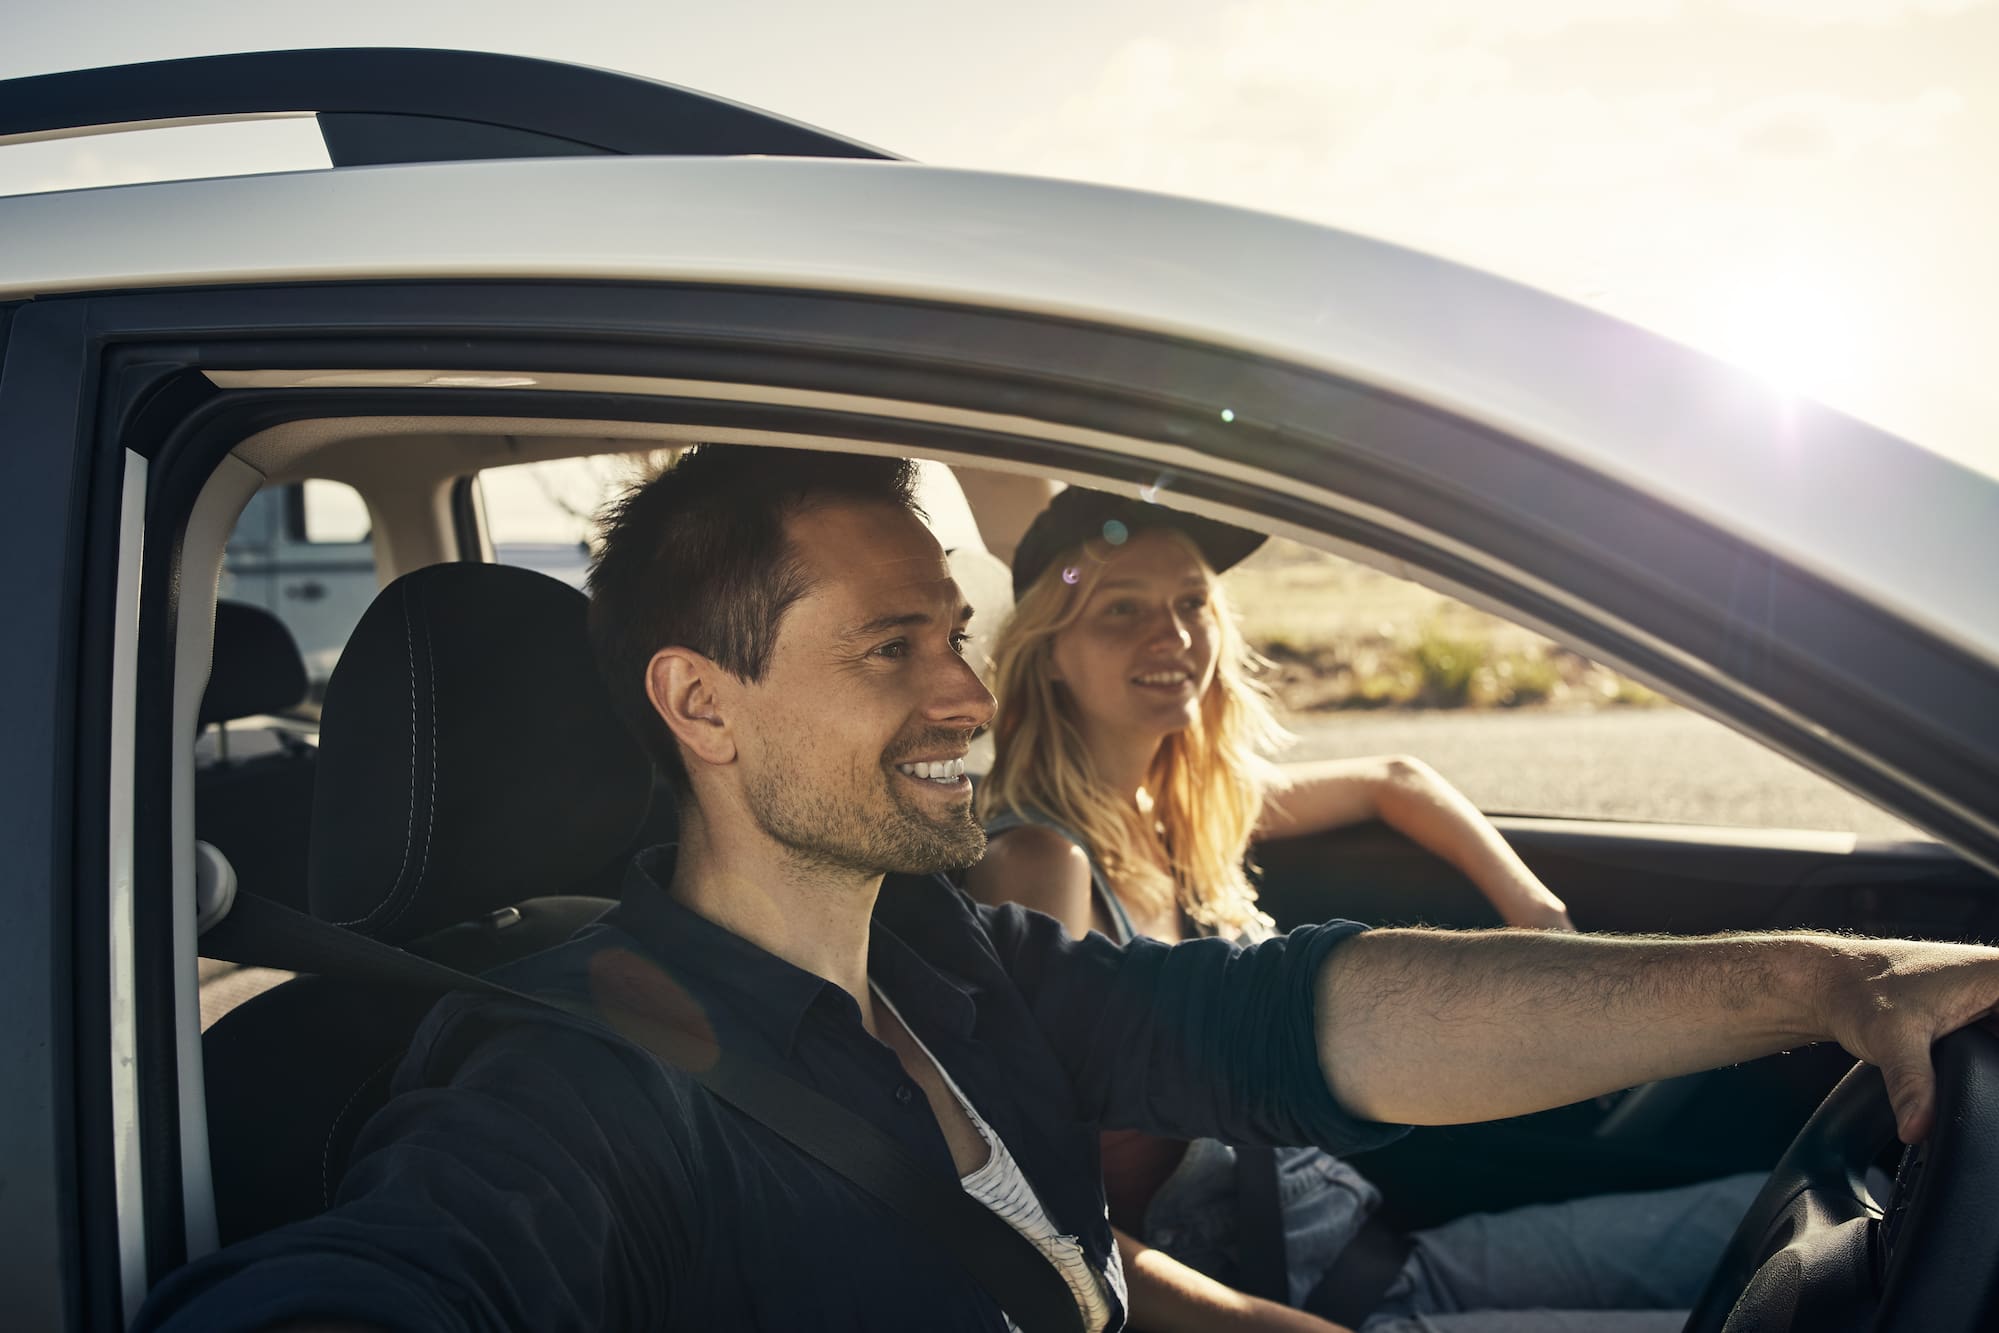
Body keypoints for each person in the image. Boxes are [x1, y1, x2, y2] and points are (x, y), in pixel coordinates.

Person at [137, 446, 1999, 1333]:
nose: (965, 690)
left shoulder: (951, 956)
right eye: (893, 648)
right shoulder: (578, 1078)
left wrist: (1825, 981)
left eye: (955, 633)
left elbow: (1294, 1021)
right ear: (699, 702)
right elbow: (404, 1276)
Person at [968, 489, 1762, 1331]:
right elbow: (1037, 1217)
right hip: (1284, 1313)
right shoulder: (1040, 864)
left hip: (1385, 1260)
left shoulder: (1186, 812)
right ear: (1048, 652)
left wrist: (1538, 914)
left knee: (1787, 1222)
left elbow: (1396, 779)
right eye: (1120, 608)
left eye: (1191, 602)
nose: (1171, 635)